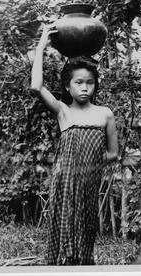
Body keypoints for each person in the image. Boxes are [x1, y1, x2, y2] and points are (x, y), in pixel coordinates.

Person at [31, 24, 119, 265]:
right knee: (63, 223)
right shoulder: (63, 111)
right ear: (68, 86)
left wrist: (90, 166)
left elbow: (113, 153)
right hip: (65, 180)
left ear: (95, 85)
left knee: (86, 225)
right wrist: (41, 44)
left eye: (89, 82)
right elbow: (36, 87)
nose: (84, 87)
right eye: (78, 82)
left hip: (88, 181)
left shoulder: (105, 114)